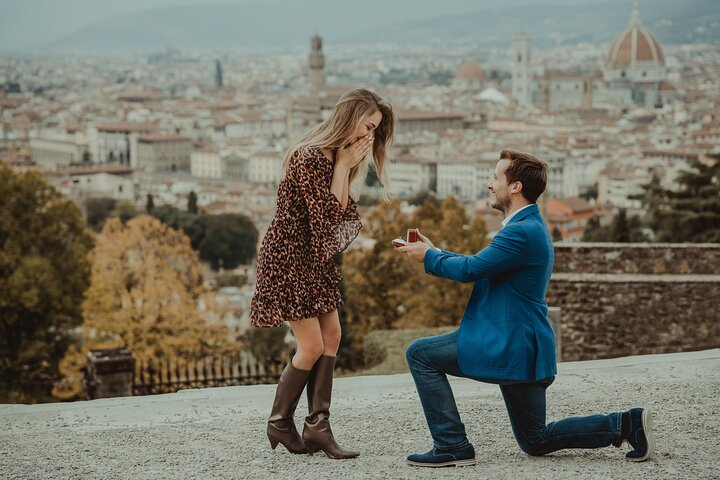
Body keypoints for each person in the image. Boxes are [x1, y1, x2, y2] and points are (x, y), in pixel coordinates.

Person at [394, 149, 655, 467]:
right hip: (525, 346)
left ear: (515, 186)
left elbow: (469, 269)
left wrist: (429, 257)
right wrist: (435, 250)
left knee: (420, 354)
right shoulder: (528, 226)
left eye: (495, 177)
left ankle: (451, 444)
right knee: (536, 439)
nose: (489, 184)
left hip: (510, 343)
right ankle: (626, 424)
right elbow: (482, 265)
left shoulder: (520, 232)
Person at [250, 88, 395, 459]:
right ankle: (280, 421)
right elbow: (327, 218)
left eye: (375, 130)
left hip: (313, 258)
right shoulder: (310, 158)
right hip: (289, 258)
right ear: (349, 118)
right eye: (367, 126)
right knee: (312, 345)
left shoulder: (338, 158)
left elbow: (342, 217)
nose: (369, 136)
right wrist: (344, 168)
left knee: (332, 335)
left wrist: (345, 167)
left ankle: (318, 427)